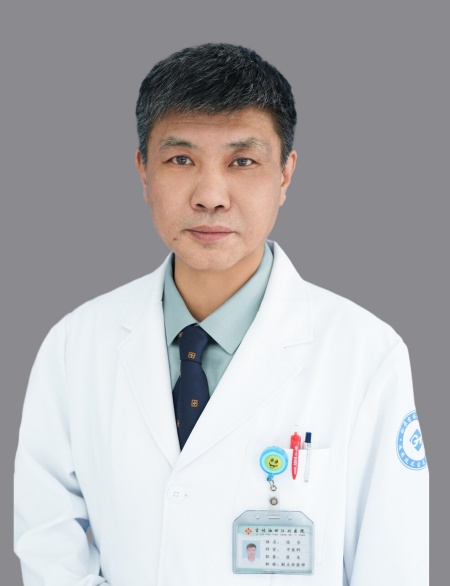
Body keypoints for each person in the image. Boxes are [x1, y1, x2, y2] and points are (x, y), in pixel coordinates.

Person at [14, 43, 428, 585]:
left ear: (285, 175)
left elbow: (393, 564)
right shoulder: (75, 345)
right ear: (143, 170)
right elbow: (48, 541)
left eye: (243, 161)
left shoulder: (366, 353)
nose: (210, 196)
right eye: (181, 160)